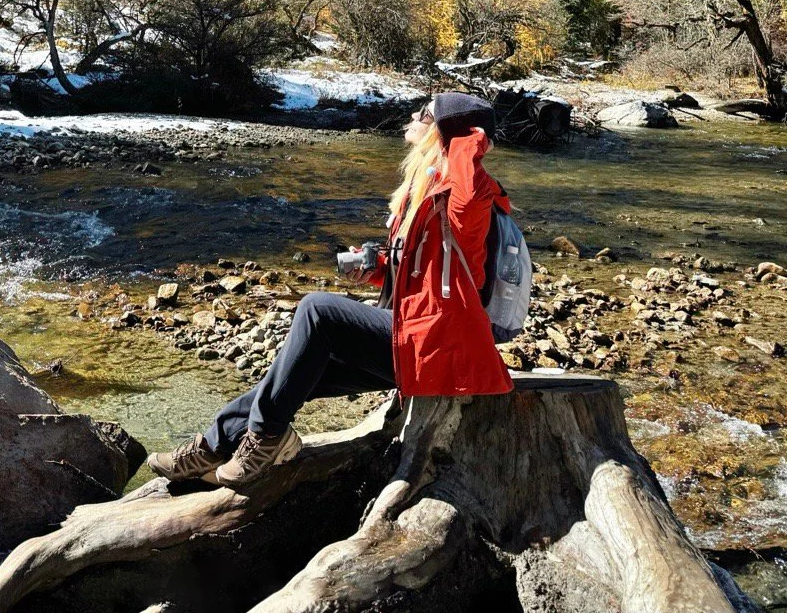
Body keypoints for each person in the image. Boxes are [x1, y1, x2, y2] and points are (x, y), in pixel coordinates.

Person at [147, 92, 514, 490]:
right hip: (413, 335)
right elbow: (425, 275)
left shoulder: (469, 195)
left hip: (441, 346)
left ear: (446, 134)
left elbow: (465, 204)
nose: (412, 115)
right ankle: (214, 444)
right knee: (293, 373)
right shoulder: (426, 187)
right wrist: (376, 270)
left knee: (317, 311)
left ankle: (267, 438)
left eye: (425, 113)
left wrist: (471, 137)